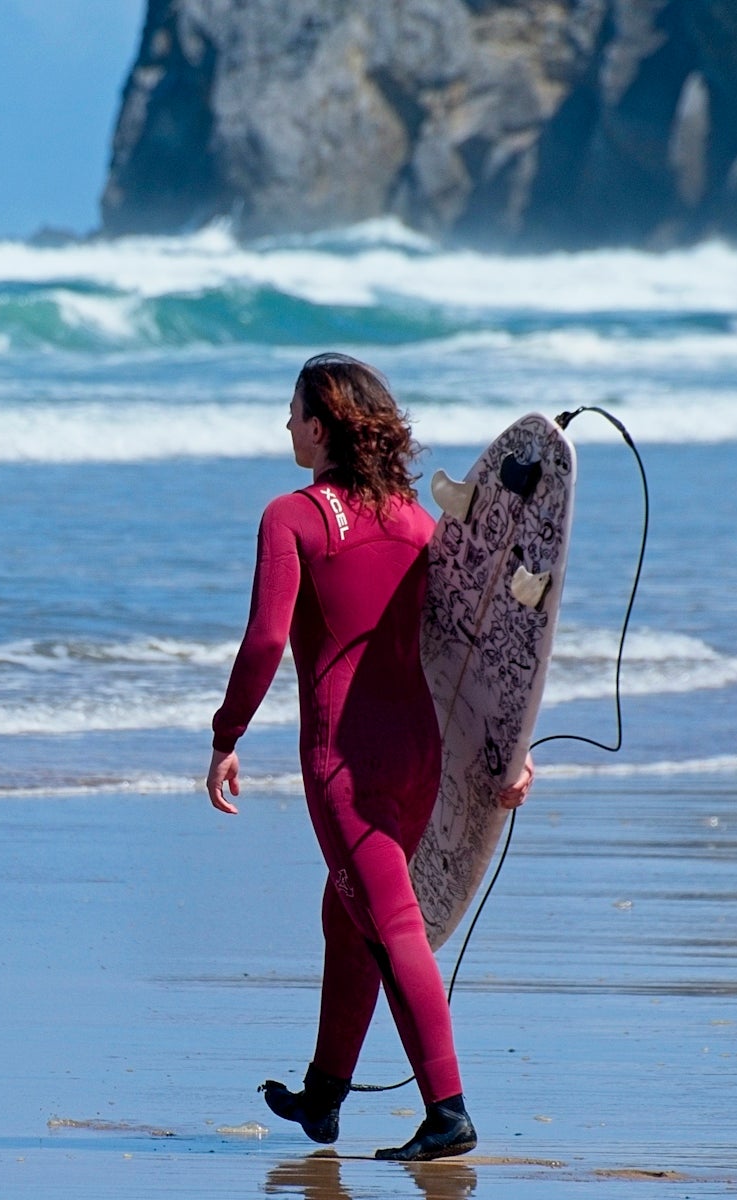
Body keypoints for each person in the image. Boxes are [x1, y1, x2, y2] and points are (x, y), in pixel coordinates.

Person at [205, 352, 533, 1162]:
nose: (285, 425)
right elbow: (485, 648)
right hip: (420, 757)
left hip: (344, 764)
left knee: (389, 926)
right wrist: (509, 750)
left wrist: (226, 734)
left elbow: (267, 639)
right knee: (345, 914)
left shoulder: (293, 517)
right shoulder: (420, 526)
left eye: (292, 413)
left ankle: (448, 1111)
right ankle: (324, 1095)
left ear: (319, 428)